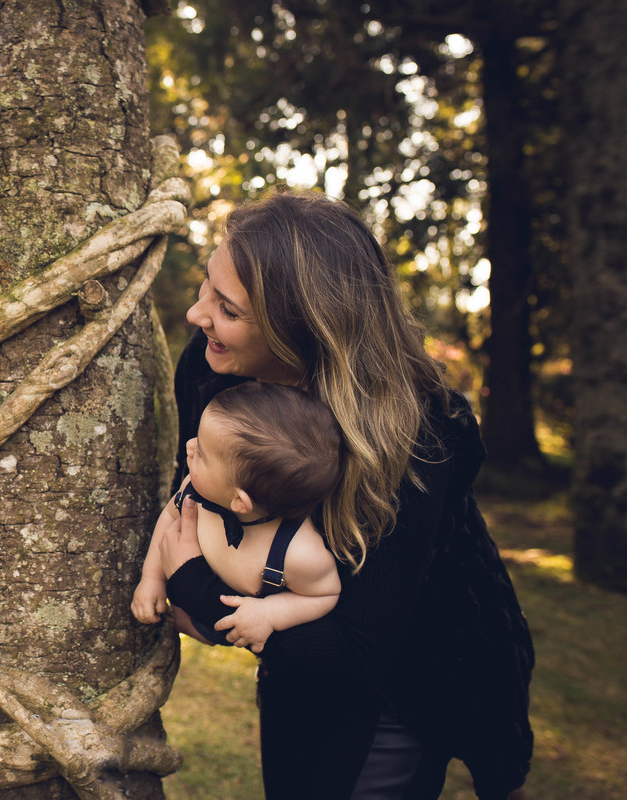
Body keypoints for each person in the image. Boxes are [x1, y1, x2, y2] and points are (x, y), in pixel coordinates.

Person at [154, 190, 534, 799]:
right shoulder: (209, 370)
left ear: (299, 330)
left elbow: (355, 650)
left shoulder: (416, 434)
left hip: (400, 686)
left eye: (226, 308)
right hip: (293, 667)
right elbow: (199, 505)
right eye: (207, 286)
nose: (199, 315)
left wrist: (194, 587)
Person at [132, 381, 343, 653]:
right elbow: (169, 520)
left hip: (218, 626)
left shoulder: (299, 553)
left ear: (239, 501)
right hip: (184, 598)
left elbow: (325, 594)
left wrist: (269, 613)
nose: (189, 446)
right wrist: (152, 578)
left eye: (203, 454)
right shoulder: (194, 493)